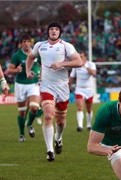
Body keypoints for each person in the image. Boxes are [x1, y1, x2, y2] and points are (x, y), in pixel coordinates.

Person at [26, 21, 83, 161]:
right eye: (51, 29)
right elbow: (30, 57)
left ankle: (58, 138)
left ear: (59, 32)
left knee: (61, 121)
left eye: (56, 29)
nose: (53, 31)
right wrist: (28, 71)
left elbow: (79, 62)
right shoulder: (40, 45)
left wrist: (62, 63)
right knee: (48, 116)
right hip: (46, 86)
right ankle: (49, 150)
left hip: (62, 87)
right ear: (48, 32)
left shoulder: (66, 46)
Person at [6, 33, 41, 142]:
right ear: (21, 44)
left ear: (31, 43)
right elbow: (8, 71)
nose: (26, 44)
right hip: (20, 84)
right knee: (22, 112)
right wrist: (16, 70)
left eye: (28, 41)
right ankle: (21, 134)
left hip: (33, 84)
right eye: (24, 42)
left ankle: (29, 124)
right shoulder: (17, 56)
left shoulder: (36, 54)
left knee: (34, 107)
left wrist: (41, 73)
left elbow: (42, 65)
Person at [69, 51, 97, 132]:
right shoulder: (75, 66)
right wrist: (68, 85)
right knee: (80, 107)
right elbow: (71, 77)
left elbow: (93, 73)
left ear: (85, 57)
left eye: (81, 56)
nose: (79, 58)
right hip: (79, 89)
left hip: (89, 89)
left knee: (89, 108)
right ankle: (80, 126)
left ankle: (89, 124)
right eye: (78, 56)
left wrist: (85, 66)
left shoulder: (91, 64)